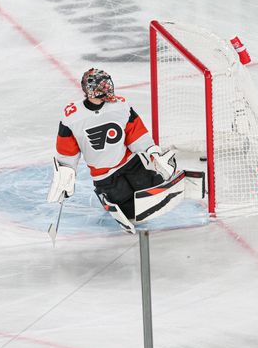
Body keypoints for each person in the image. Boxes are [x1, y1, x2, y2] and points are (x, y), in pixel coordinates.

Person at [47, 68, 179, 233]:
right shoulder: (72, 116)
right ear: (91, 91)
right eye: (103, 86)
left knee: (154, 191)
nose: (108, 88)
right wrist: (65, 176)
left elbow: (136, 133)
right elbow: (67, 151)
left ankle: (141, 182)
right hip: (104, 175)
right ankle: (104, 195)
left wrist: (152, 152)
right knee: (130, 212)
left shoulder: (120, 105)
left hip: (131, 163)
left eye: (108, 84)